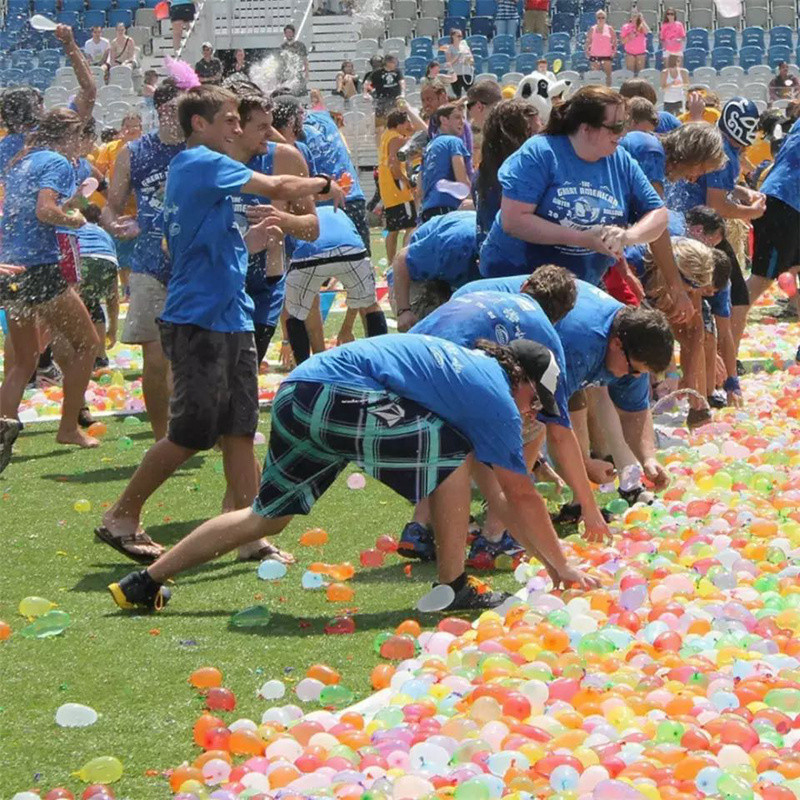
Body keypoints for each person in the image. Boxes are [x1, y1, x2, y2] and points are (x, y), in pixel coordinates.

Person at [108, 334, 598, 614]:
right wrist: (563, 567)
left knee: (266, 517)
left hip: (298, 395)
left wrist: (552, 562)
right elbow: (520, 496)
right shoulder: (494, 398)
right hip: (337, 396)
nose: (532, 412)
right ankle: (453, 586)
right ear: (521, 379)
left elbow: (504, 499)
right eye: (536, 400)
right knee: (450, 452)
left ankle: (143, 582)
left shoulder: (467, 371)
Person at [98, 85, 345, 565]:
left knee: (239, 431)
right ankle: (120, 516)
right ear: (200, 124)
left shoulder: (206, 172)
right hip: (200, 320)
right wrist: (321, 185)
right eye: (230, 120)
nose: (237, 128)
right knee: (190, 434)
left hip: (229, 317)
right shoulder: (200, 163)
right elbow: (277, 186)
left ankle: (250, 535)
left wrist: (249, 241)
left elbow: (195, 246)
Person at [408, 268, 612, 561]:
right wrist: (589, 508)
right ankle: (493, 534)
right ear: (562, 315)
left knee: (458, 438)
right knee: (534, 426)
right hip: (449, 382)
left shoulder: (481, 295)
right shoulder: (546, 336)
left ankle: (417, 527)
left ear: (526, 285)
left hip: (406, 371)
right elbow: (559, 432)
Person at [479, 86, 667, 290]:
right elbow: (513, 221)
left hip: (578, 284)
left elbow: (658, 212)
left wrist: (627, 236)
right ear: (586, 129)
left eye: (625, 124)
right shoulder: (541, 153)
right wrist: (584, 239)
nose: (622, 132)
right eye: (615, 126)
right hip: (517, 276)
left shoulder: (620, 160)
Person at [0, 109, 99, 458]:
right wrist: (72, 219)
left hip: (10, 268)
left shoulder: (20, 161)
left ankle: (2, 431)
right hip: (40, 268)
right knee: (87, 343)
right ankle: (69, 428)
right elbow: (45, 210)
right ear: (68, 136)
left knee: (23, 360)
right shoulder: (56, 161)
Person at [101, 81, 185, 446]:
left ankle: (196, 425)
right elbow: (111, 206)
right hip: (149, 263)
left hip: (195, 264)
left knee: (193, 354)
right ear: (164, 109)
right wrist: (112, 224)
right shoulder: (134, 152)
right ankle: (161, 437)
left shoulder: (201, 148)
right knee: (154, 355)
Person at [668, 98, 766, 363]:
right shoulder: (723, 151)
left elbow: (718, 187)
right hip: (698, 227)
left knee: (716, 300)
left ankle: (717, 361)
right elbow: (716, 203)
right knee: (731, 299)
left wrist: (743, 192)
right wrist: (752, 213)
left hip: (692, 223)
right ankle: (722, 363)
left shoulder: (723, 145)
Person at [227, 93, 319, 366]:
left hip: (264, 290)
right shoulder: (213, 160)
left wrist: (281, 218)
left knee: (243, 375)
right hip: (220, 286)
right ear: (236, 127)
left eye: (271, 125)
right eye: (262, 127)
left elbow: (312, 229)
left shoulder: (285, 158)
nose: (272, 133)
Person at [283, 204, 387, 364]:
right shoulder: (339, 213)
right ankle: (381, 363)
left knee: (296, 314)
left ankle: (304, 370)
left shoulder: (294, 218)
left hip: (309, 257)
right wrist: (347, 327)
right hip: (351, 252)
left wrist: (286, 340)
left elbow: (289, 296)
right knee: (370, 305)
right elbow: (357, 295)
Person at [746, 127, 800, 358]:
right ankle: (720, 340)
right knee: (762, 277)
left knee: (791, 268)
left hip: (785, 199)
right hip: (784, 201)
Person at [683, 206, 740, 407]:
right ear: (696, 231)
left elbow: (724, 332)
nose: (710, 249)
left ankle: (705, 393)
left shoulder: (717, 276)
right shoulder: (676, 251)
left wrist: (733, 383)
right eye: (711, 242)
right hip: (667, 288)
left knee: (707, 336)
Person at [393, 210, 479, 331]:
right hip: (414, 276)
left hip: (456, 262)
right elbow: (401, 260)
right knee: (430, 330)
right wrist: (403, 310)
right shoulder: (451, 245)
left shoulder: (506, 247)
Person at [474, 98, 540, 248]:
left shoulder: (482, 173)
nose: (540, 140)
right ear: (513, 137)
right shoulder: (519, 177)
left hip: (487, 259)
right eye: (533, 133)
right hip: (518, 262)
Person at [75, 204, 120, 369]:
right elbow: (113, 296)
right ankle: (100, 357)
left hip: (82, 259)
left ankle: (74, 353)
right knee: (93, 303)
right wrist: (113, 329)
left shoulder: (76, 226)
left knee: (71, 306)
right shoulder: (104, 234)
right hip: (106, 261)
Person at [419, 104, 471, 222]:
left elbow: (420, 188)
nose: (462, 122)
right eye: (457, 117)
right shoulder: (454, 142)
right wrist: (474, 202)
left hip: (428, 210)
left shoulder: (429, 147)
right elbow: (462, 180)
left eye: (463, 118)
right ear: (443, 120)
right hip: (448, 208)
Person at [379, 109, 416, 263]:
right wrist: (407, 181)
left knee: (393, 229)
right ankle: (403, 261)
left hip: (387, 187)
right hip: (398, 188)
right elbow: (394, 164)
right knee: (411, 225)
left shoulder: (385, 136)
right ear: (399, 123)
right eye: (407, 121)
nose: (410, 125)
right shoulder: (396, 138)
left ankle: (391, 264)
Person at [367, 54, 404, 139]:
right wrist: (371, 92)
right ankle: (380, 143)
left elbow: (401, 83)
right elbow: (367, 85)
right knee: (380, 126)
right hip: (381, 100)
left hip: (393, 99)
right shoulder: (374, 73)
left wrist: (402, 93)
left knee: (394, 122)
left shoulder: (397, 72)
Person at [586, 10, 616, 86]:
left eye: (602, 17)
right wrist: (587, 51)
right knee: (596, 77)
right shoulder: (592, 29)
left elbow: (614, 41)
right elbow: (588, 41)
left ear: (605, 18)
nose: (601, 19)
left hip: (606, 55)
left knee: (608, 76)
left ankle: (608, 90)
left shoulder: (609, 29)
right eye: (599, 17)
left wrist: (614, 52)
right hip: (594, 55)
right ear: (596, 18)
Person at [444, 29, 474, 99]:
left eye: (461, 36)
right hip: (455, 74)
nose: (460, 38)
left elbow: (472, 60)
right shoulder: (448, 48)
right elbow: (449, 63)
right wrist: (458, 55)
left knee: (471, 94)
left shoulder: (465, 47)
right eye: (458, 36)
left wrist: (468, 59)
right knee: (457, 95)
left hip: (466, 72)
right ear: (453, 36)